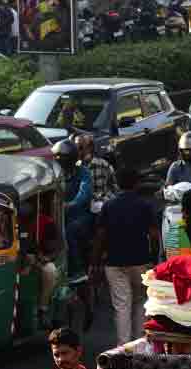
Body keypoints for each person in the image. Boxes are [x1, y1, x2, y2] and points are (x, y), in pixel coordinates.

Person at [93, 167, 159, 346]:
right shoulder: (145, 205)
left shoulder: (109, 205)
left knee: (121, 306)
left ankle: (123, 348)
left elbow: (100, 236)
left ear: (118, 184)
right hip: (140, 261)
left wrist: (95, 262)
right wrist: (153, 259)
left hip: (114, 262)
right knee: (140, 302)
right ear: (137, 184)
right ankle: (139, 346)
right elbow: (154, 235)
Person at [18, 200, 60, 326]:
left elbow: (54, 247)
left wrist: (44, 257)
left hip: (37, 258)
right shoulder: (8, 218)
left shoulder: (47, 223)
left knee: (50, 271)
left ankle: (43, 308)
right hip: (13, 258)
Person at [54, 140, 93, 276]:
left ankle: (77, 270)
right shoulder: (55, 174)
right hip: (58, 214)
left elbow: (84, 193)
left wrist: (70, 205)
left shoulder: (83, 172)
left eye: (63, 158)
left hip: (79, 215)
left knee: (69, 232)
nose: (60, 161)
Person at [76, 134, 116, 216]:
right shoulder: (75, 167)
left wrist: (107, 201)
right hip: (83, 208)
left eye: (80, 147)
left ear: (90, 148)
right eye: (76, 148)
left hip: (102, 207)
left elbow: (115, 187)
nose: (77, 151)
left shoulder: (103, 164)